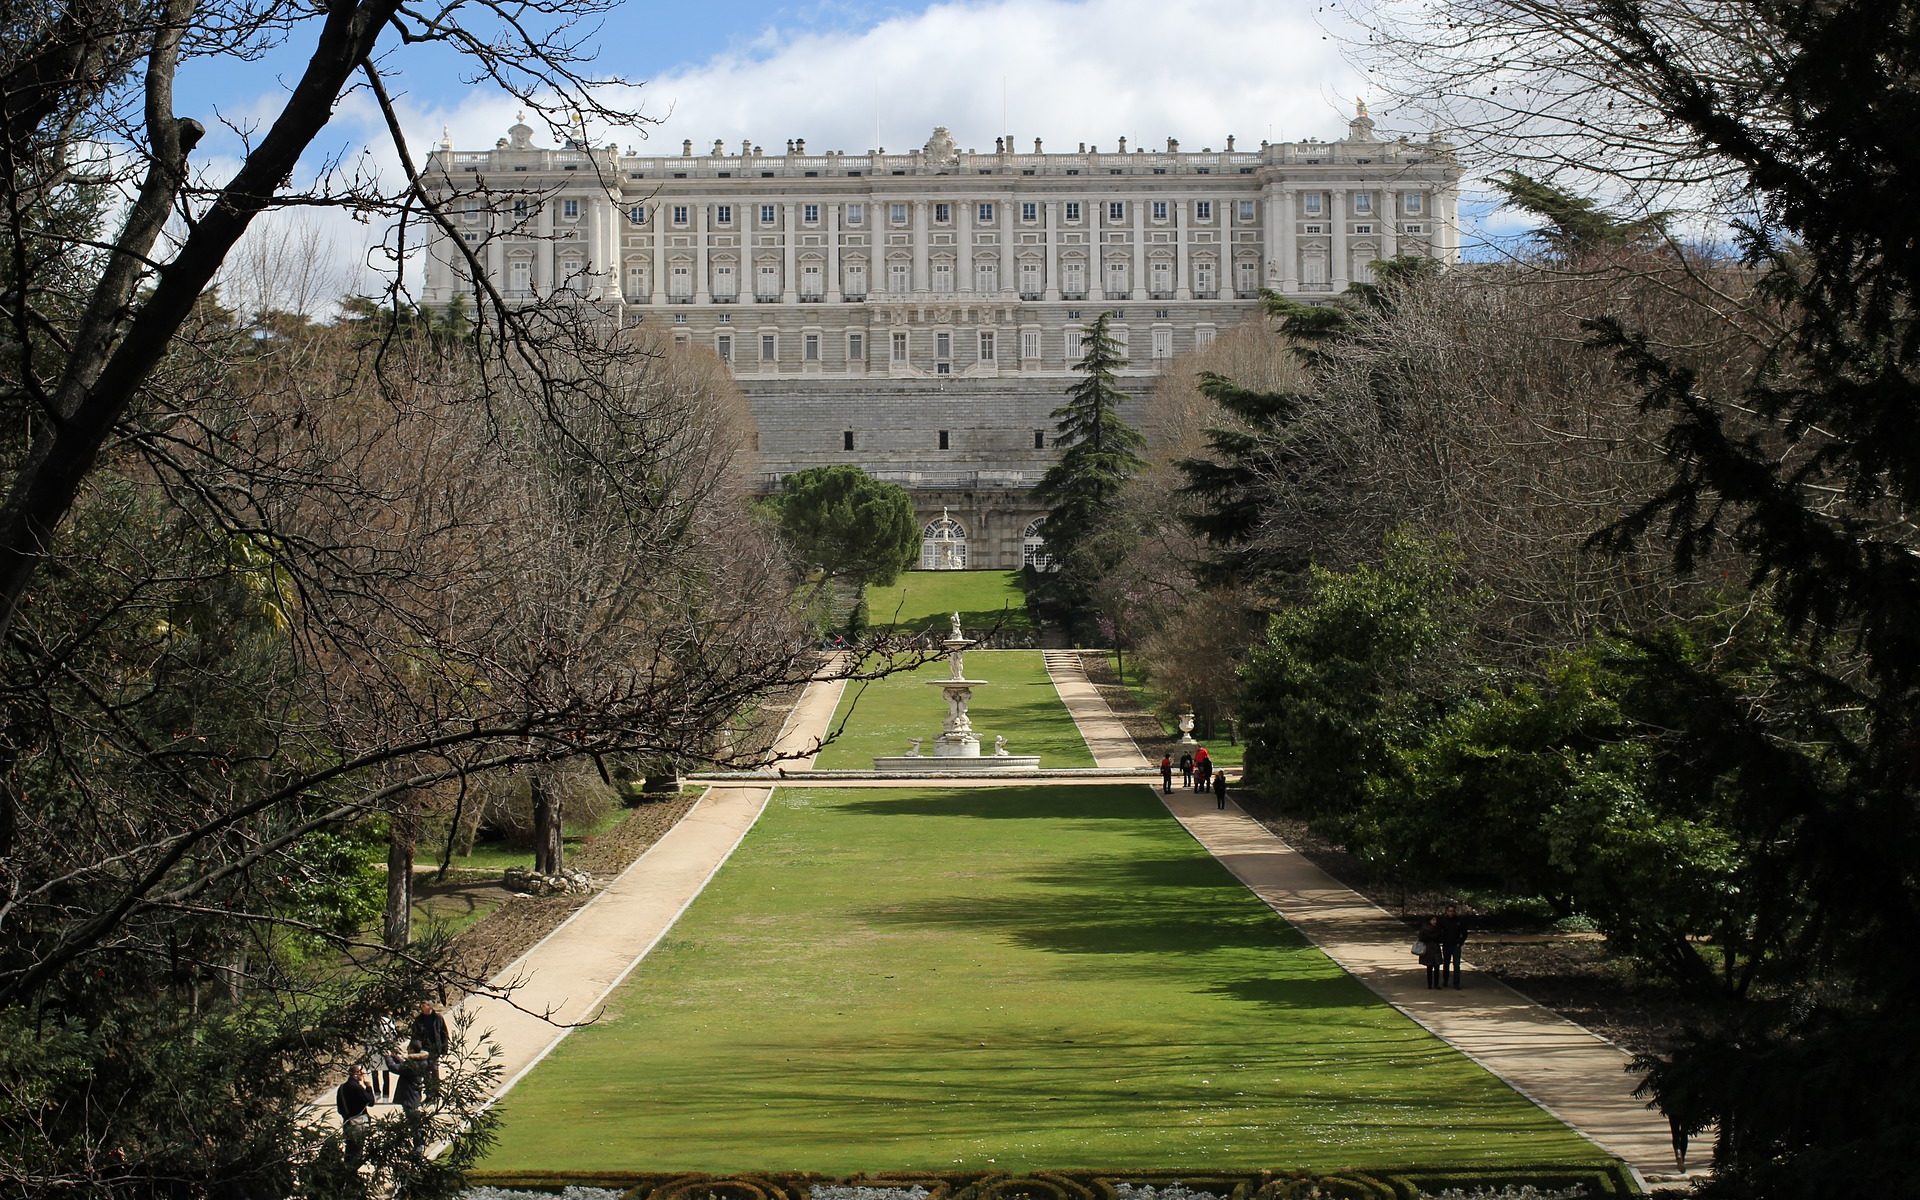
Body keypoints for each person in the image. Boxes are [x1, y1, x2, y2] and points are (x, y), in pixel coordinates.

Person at [336, 1064, 376, 1169]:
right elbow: (371, 1101)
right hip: (358, 1122)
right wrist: (368, 1086)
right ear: (357, 1074)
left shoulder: (341, 1088)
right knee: (357, 1151)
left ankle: (346, 1171)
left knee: (349, 1150)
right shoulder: (357, 1087)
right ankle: (352, 1174)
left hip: (347, 1121)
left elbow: (340, 1108)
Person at [411, 1000, 450, 1102]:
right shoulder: (419, 1020)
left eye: (424, 1005)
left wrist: (444, 1048)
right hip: (423, 1049)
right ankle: (429, 1094)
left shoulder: (438, 1018)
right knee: (426, 1072)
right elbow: (415, 1035)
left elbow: (444, 1033)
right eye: (422, 1006)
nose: (422, 1007)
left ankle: (436, 1092)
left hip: (435, 1048)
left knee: (434, 1070)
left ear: (430, 1007)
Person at [1437, 902, 1469, 989]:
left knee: (1456, 964)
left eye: (1452, 911)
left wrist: (1460, 942)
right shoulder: (1443, 921)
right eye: (1449, 911)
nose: (1451, 913)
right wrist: (1441, 940)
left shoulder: (1459, 921)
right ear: (1446, 912)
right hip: (1446, 945)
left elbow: (1464, 933)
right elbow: (1439, 932)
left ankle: (1456, 983)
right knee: (1446, 963)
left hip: (1456, 945)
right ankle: (1445, 980)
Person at [366, 1011, 397, 1102]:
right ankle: (377, 1093)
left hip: (383, 1048)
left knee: (385, 1072)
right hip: (373, 1048)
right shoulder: (369, 1023)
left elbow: (392, 1034)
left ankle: (385, 1095)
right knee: (375, 1072)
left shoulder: (387, 1021)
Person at [1417, 914, 1445, 989]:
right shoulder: (1425, 928)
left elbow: (1441, 938)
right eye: (1433, 920)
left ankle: (1436, 984)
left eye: (1435, 920)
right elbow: (1421, 938)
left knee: (1437, 967)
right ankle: (1430, 984)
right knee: (1429, 967)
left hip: (1436, 949)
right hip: (1428, 949)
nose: (1434, 921)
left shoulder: (1438, 928)